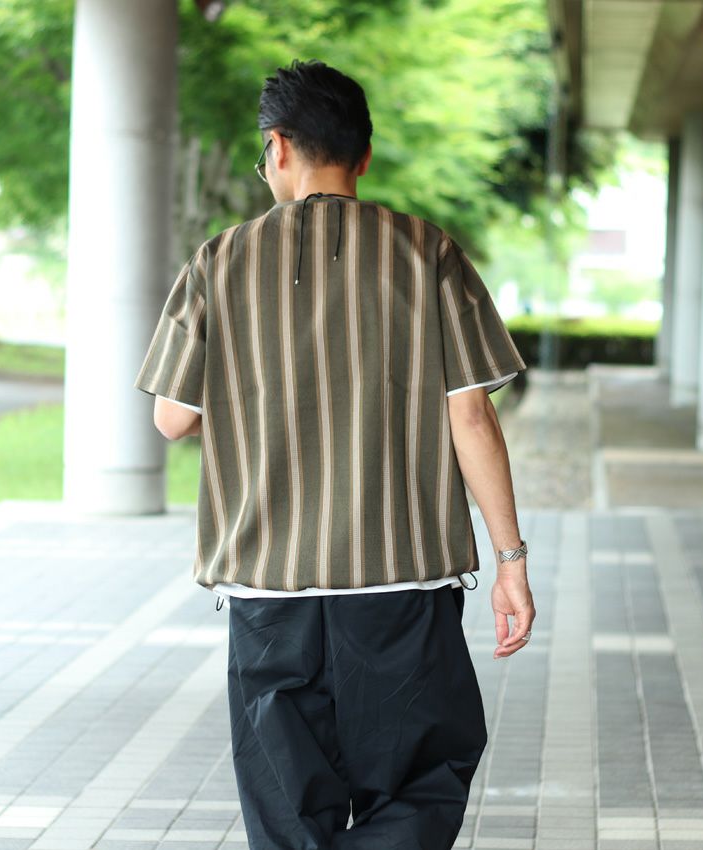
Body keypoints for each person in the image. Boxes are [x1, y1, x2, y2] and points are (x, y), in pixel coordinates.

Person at [133, 58, 536, 850]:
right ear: (364, 155)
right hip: (402, 582)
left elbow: (173, 420)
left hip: (267, 584)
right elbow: (471, 415)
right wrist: (510, 560)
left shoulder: (219, 260)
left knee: (288, 814)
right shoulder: (428, 251)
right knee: (420, 783)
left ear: (279, 146)